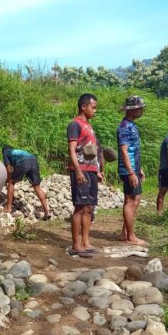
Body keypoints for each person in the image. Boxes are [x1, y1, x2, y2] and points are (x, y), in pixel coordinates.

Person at [67, 93, 103, 258]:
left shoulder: (88, 126)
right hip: (81, 170)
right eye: (93, 107)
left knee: (89, 207)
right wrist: (78, 170)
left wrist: (97, 169)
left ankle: (86, 242)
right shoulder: (74, 124)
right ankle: (76, 245)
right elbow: (72, 149)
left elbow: (89, 149)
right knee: (80, 207)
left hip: (91, 170)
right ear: (83, 106)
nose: (95, 110)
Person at [117, 95, 147, 245]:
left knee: (136, 199)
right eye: (139, 108)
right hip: (128, 170)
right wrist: (130, 172)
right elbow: (124, 151)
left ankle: (125, 232)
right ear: (131, 110)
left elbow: (133, 150)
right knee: (131, 201)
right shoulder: (124, 127)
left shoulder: (131, 125)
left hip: (134, 168)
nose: (142, 111)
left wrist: (138, 169)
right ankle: (131, 236)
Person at [1, 145, 50, 219]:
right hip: (34, 160)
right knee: (37, 187)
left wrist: (8, 180)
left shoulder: (6, 153)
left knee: (11, 182)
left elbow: (8, 170)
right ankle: (47, 212)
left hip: (23, 162)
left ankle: (8, 208)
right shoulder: (17, 151)